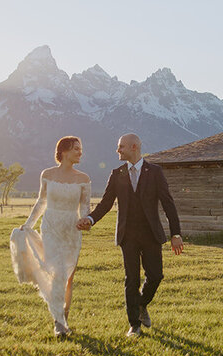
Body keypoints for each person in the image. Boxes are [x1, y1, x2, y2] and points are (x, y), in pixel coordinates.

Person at [77, 133, 183, 337]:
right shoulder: (117, 174)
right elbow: (106, 203)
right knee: (131, 279)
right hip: (128, 235)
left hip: (151, 234)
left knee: (156, 275)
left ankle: (141, 304)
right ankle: (134, 325)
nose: (118, 150)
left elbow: (168, 204)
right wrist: (90, 219)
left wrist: (176, 233)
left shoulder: (155, 172)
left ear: (134, 147)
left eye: (121, 147)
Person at [10, 136, 91, 338]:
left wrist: (85, 221)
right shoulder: (47, 174)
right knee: (57, 272)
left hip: (72, 230)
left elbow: (85, 207)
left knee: (68, 278)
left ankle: (64, 317)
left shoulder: (84, 178)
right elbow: (41, 202)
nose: (80, 152)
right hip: (51, 227)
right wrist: (28, 225)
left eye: (80, 149)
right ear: (63, 152)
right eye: (76, 149)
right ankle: (59, 323)